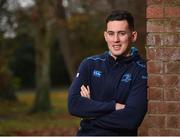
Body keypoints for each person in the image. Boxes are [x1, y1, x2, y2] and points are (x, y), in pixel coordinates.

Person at [68, 10, 147, 136]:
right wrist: (114, 106)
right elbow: (74, 105)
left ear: (133, 36)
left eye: (121, 34)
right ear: (105, 36)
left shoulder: (141, 69)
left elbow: (130, 119)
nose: (115, 40)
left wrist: (89, 115)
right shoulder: (90, 64)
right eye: (111, 34)